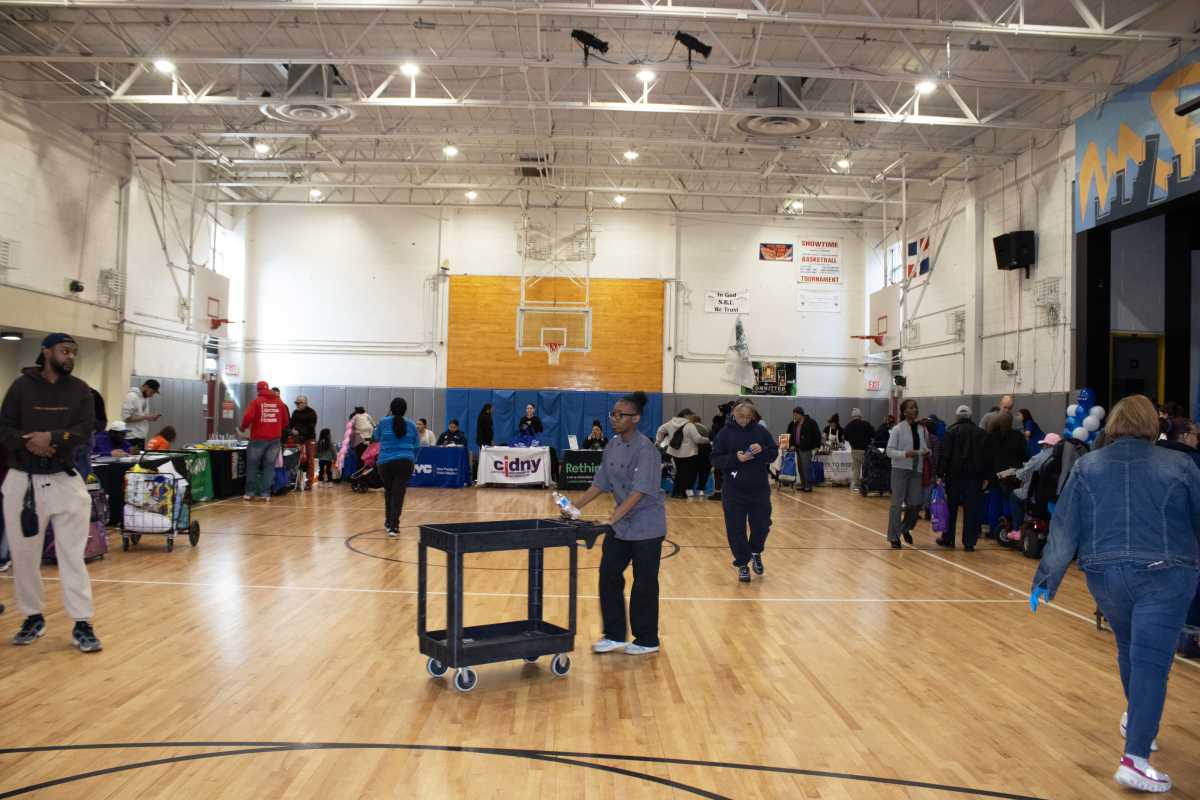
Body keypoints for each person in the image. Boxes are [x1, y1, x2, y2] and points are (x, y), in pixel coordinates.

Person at [1031, 395, 1200, 794]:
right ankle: (1135, 758)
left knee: (1130, 649)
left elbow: (1065, 527)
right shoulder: (1181, 465)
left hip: (1105, 577)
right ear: (1152, 426)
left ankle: (1139, 721)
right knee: (1151, 663)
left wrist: (1045, 580)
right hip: (1165, 575)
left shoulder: (1088, 466)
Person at [0, 333, 101, 652]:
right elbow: (4, 428)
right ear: (46, 352)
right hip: (22, 481)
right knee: (24, 556)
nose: (70, 356)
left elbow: (87, 428)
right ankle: (33, 617)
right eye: (64, 350)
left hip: (64, 480)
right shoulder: (21, 387)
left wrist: (53, 438)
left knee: (72, 555)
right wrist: (31, 441)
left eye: (74, 352)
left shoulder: (80, 390)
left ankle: (82, 623)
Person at [569, 391, 667, 656]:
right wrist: (574, 506)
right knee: (608, 575)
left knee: (644, 583)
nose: (614, 418)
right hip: (622, 527)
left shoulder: (646, 449)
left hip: (647, 526)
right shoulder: (611, 445)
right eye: (613, 413)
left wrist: (611, 519)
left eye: (620, 414)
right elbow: (600, 483)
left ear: (635, 418)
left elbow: (638, 493)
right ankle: (614, 635)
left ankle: (647, 639)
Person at [712, 400, 779, 582]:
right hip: (734, 490)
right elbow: (716, 459)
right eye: (741, 417)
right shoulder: (725, 434)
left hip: (759, 489)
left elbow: (773, 453)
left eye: (748, 417)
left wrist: (763, 449)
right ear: (734, 414)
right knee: (735, 529)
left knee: (762, 525)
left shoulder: (760, 431)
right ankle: (742, 563)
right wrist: (736, 458)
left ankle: (756, 551)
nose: (744, 420)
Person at [935, 405, 987, 551]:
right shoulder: (981, 433)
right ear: (971, 417)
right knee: (971, 510)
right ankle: (969, 542)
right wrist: (986, 477)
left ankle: (948, 539)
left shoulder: (950, 432)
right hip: (975, 477)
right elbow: (986, 458)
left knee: (951, 508)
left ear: (957, 417)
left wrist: (940, 474)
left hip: (954, 476)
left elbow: (945, 455)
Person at [886, 399, 929, 549]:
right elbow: (889, 451)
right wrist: (905, 454)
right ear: (904, 412)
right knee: (896, 505)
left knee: (916, 504)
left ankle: (904, 528)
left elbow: (924, 447)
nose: (915, 410)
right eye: (911, 408)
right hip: (900, 469)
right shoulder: (898, 429)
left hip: (917, 469)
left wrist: (925, 451)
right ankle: (894, 537)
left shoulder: (921, 429)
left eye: (916, 407)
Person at [240, 381, 289, 503]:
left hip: (258, 439)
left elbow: (247, 417)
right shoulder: (279, 403)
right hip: (275, 440)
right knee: (269, 467)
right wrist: (276, 428)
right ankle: (265, 494)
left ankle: (249, 493)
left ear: (258, 390)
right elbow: (286, 421)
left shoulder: (256, 402)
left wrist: (243, 428)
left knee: (252, 466)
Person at [376, 397, 419, 536]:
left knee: (389, 492)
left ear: (391, 408)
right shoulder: (412, 425)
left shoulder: (383, 422)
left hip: (385, 462)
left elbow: (375, 437)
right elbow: (417, 446)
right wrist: (413, 459)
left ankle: (388, 522)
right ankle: (394, 526)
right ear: (405, 409)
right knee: (399, 493)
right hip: (405, 462)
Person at [982, 411, 1027, 538]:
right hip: (1012, 475)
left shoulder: (990, 437)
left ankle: (993, 530)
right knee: (1008, 501)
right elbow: (1024, 455)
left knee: (994, 503)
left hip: (994, 475)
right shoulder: (1018, 437)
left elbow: (985, 459)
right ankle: (1009, 528)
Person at [656, 408, 709, 499]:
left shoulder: (670, 423)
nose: (692, 416)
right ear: (686, 415)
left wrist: (658, 441)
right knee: (687, 474)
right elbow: (697, 439)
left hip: (674, 452)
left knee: (679, 472)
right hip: (689, 453)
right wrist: (707, 440)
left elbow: (660, 430)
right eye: (691, 415)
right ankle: (681, 492)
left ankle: (677, 492)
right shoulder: (689, 425)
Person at [1010, 432, 1061, 525]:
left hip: (1035, 496)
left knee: (1014, 496)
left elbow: (1023, 475)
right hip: (1054, 497)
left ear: (1046, 444)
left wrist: (1014, 472)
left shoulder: (1038, 458)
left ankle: (1016, 528)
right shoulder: (1062, 459)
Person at [786, 407, 821, 493]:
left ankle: (808, 486)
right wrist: (792, 445)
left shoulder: (811, 422)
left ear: (800, 414)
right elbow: (791, 435)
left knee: (806, 468)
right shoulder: (795, 423)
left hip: (807, 449)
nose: (794, 417)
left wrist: (817, 446)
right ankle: (803, 484)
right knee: (800, 468)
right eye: (793, 415)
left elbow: (817, 435)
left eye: (796, 415)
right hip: (798, 448)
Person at [288, 395, 318, 491]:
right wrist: (291, 431)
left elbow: (311, 427)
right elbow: (291, 424)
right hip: (298, 439)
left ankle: (309, 482)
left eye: (299, 403)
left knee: (310, 460)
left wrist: (299, 431)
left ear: (305, 403)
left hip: (309, 439)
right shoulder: (295, 413)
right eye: (295, 403)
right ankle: (295, 481)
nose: (297, 405)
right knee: (297, 460)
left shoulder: (312, 413)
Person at [121, 379, 161, 450]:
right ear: (145, 387)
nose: (151, 395)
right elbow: (126, 418)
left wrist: (151, 418)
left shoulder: (145, 398)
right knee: (132, 460)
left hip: (141, 436)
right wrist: (146, 417)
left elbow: (142, 416)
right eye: (152, 392)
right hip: (132, 437)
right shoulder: (132, 396)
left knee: (139, 460)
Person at [843, 409, 874, 493]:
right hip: (865, 450)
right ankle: (866, 485)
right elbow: (873, 434)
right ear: (860, 416)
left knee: (856, 469)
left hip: (854, 450)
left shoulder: (848, 425)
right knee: (866, 468)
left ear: (852, 416)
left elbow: (845, 437)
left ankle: (856, 486)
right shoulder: (866, 424)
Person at [708, 403, 731, 501]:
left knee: (718, 471)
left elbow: (712, 436)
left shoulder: (717, 421)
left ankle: (718, 492)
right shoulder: (731, 422)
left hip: (720, 449)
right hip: (729, 449)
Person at [690, 413, 713, 498]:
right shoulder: (706, 428)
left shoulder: (689, 427)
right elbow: (711, 439)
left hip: (693, 451)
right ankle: (701, 490)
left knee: (692, 472)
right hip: (706, 451)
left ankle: (690, 490)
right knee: (704, 472)